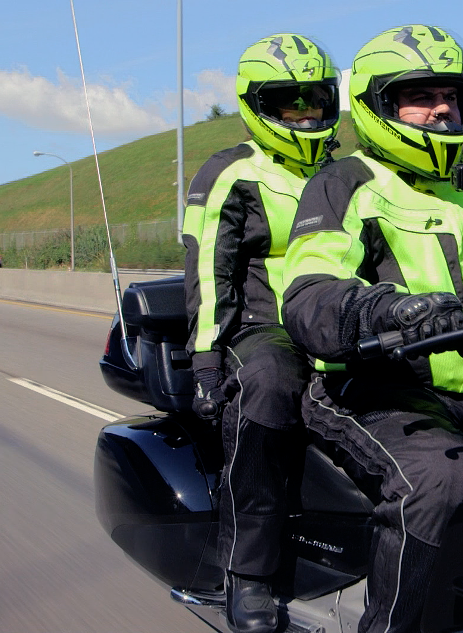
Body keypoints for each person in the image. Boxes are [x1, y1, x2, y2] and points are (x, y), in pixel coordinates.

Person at [280, 25, 463, 633]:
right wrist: (393, 311)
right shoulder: (346, 182)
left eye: (452, 95)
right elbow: (308, 294)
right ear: (378, 105)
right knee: (441, 481)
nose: (443, 108)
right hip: (378, 386)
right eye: (420, 96)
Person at [182, 33, 340, 633]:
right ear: (256, 103)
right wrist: (206, 358)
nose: (305, 115)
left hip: (336, 320)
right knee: (269, 390)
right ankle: (247, 572)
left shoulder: (346, 172)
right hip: (262, 326)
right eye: (288, 101)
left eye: (316, 100)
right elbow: (208, 269)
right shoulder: (231, 171)